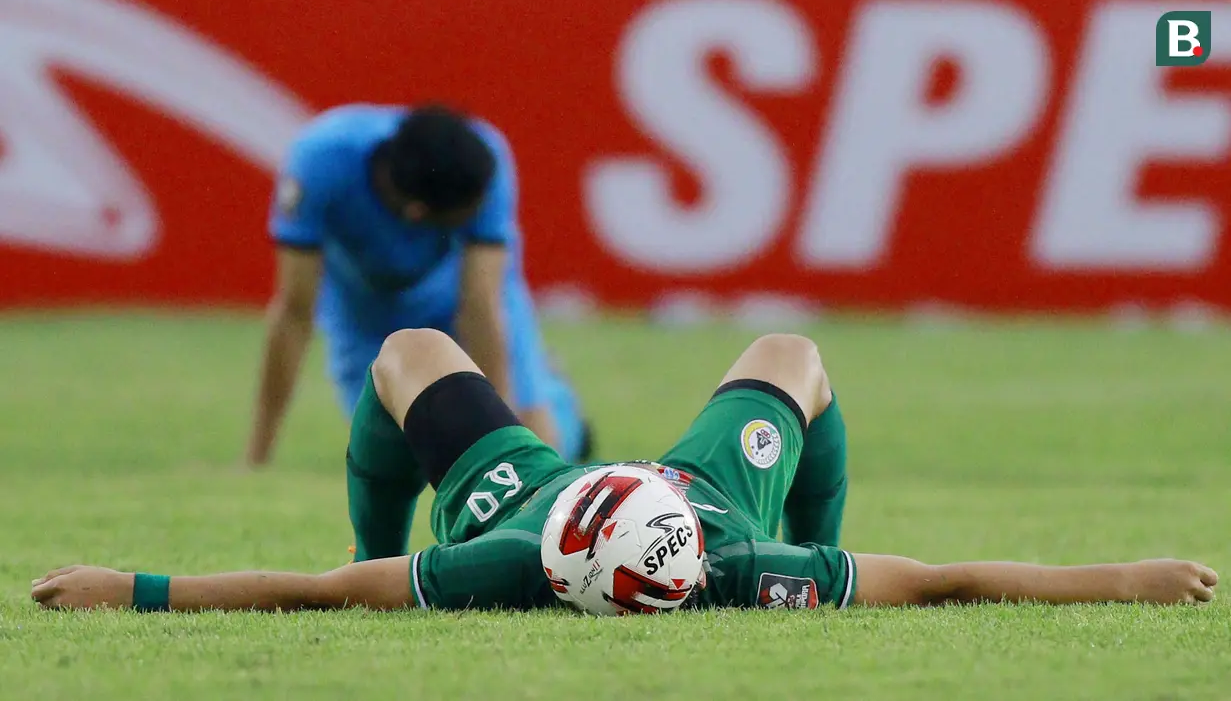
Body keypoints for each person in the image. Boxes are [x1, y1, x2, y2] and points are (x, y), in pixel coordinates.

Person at [34, 330, 1218, 613]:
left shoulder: (503, 556)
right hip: (693, 492)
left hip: (537, 484)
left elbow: (320, 591)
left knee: (406, 352)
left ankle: (374, 519)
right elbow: (948, 575)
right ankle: (381, 524)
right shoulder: (752, 562)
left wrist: (133, 587)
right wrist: (1124, 574)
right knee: (793, 355)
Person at [243, 102, 591, 472]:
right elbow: (295, 311)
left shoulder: (485, 162)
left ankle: (561, 407)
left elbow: (480, 304)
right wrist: (256, 458)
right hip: (364, 309)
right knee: (411, 460)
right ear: (417, 213)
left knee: (541, 449)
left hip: (461, 291)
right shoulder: (317, 164)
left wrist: (504, 445)